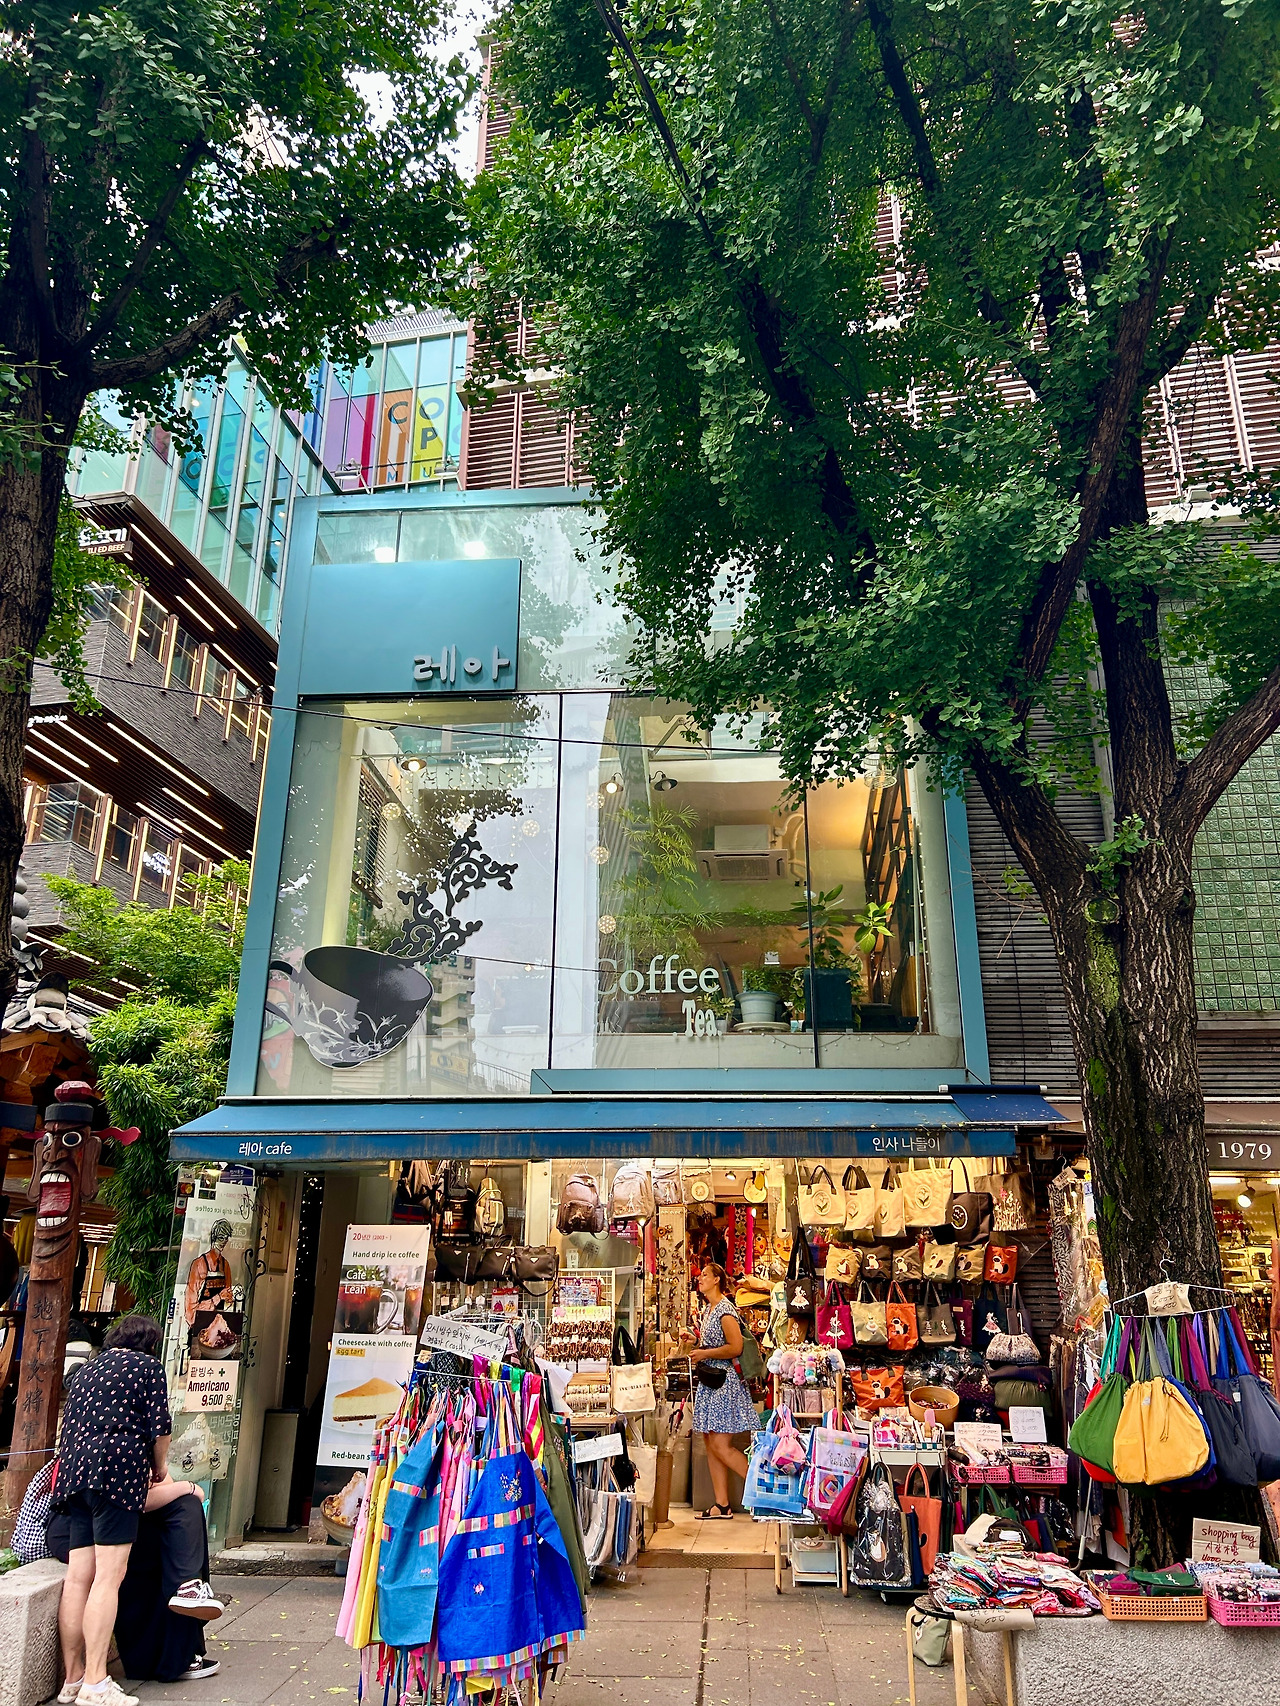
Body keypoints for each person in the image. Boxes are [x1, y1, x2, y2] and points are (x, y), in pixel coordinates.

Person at [53, 1313, 182, 1706]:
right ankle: (96, 1682)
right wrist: (159, 1468)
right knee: (108, 1579)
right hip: (117, 1472)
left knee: (78, 1577)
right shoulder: (147, 1367)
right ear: (149, 1344)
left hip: (74, 1473)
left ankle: (72, 1678)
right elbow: (160, 1429)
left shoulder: (86, 1371)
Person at [682, 1261, 760, 1519]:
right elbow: (714, 1343)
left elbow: (735, 1347)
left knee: (720, 1444)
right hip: (712, 1382)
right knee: (710, 1441)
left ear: (717, 1279)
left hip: (724, 1383)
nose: (700, 1278)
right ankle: (722, 1504)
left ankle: (762, 1490)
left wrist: (704, 1353)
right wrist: (696, 1341)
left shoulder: (725, 1310)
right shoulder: (709, 1309)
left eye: (705, 1275)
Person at [184, 1220, 235, 1349]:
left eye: (226, 1238)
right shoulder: (199, 1264)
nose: (224, 1241)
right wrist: (218, 1298)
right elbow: (191, 1312)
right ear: (213, 1237)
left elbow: (228, 1299)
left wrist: (229, 1299)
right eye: (221, 1237)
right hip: (199, 1331)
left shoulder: (226, 1265)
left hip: (220, 1329)